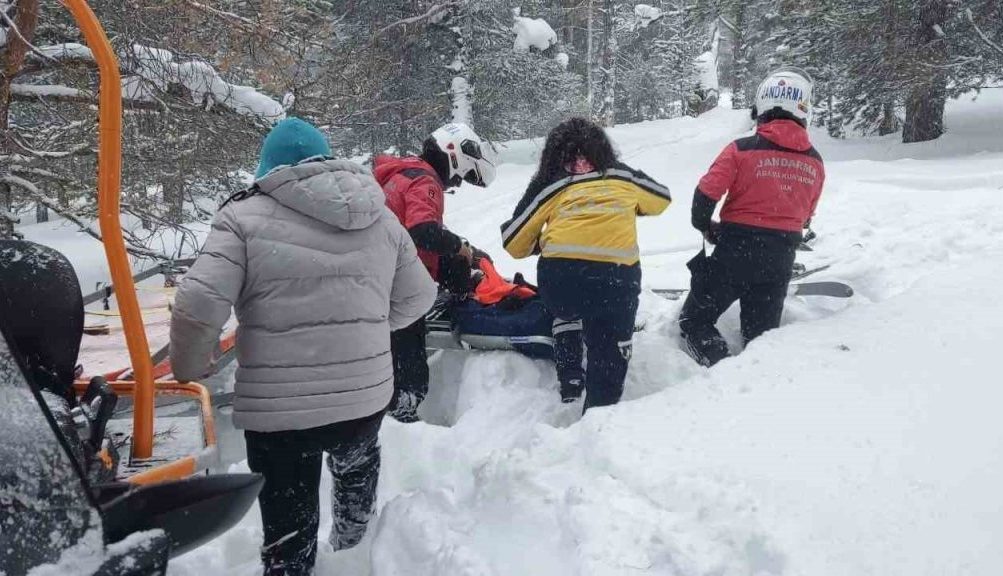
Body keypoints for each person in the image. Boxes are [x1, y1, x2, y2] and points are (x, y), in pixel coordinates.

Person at [170, 118, 437, 576]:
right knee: (357, 467)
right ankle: (354, 551)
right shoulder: (378, 213)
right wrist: (369, 330)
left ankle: (295, 563)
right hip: (362, 400)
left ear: (268, 167)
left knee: (289, 525)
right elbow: (419, 296)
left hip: (281, 416)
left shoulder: (241, 217)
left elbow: (197, 302)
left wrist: (191, 367)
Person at [501, 117, 671, 410]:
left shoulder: (550, 183)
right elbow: (662, 199)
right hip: (617, 279)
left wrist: (543, 243)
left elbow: (513, 241)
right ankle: (600, 413)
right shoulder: (623, 175)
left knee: (565, 310)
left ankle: (570, 378)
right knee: (608, 350)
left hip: (562, 279)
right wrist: (630, 209)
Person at [679, 67, 826, 367]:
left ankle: (720, 369)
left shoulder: (741, 149)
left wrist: (707, 226)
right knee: (761, 340)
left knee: (694, 320)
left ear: (762, 105)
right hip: (780, 259)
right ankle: (754, 387)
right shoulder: (815, 162)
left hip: (735, 253)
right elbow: (806, 217)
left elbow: (705, 195)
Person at [372, 122, 497, 422]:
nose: (455, 184)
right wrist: (459, 249)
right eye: (460, 176)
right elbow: (423, 232)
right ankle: (404, 422)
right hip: (397, 284)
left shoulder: (401, 172)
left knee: (389, 356)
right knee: (408, 365)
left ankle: (394, 410)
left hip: (378, 274)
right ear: (454, 153)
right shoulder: (425, 180)